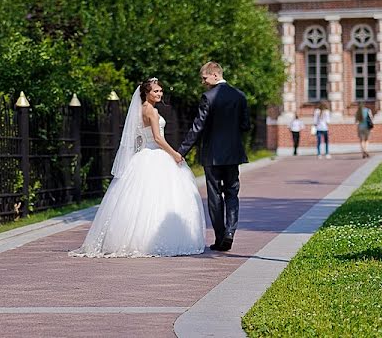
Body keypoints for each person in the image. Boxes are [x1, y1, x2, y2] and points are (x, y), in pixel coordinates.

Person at [71, 78, 206, 257]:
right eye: (156, 91)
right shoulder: (151, 111)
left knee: (139, 200)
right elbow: (158, 138)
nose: (159, 94)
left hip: (143, 155)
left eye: (161, 91)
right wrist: (174, 154)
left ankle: (133, 239)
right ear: (146, 93)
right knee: (160, 198)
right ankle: (153, 239)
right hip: (156, 153)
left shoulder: (140, 109)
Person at [178, 61, 251, 252]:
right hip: (233, 154)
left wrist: (181, 151)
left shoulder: (208, 97)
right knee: (232, 193)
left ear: (215, 75)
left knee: (215, 195)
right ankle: (230, 233)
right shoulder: (240, 96)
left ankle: (220, 238)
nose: (203, 82)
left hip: (212, 155)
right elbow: (246, 126)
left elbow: (197, 127)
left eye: (204, 78)